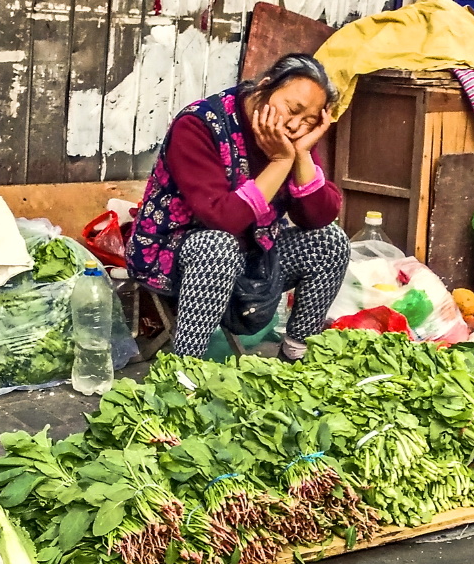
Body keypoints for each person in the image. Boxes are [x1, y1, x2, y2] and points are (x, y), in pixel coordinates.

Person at [126, 54, 350, 362]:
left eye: (309, 120)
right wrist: (280, 162)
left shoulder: (294, 138)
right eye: (292, 109)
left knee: (330, 242)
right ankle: (183, 373)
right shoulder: (198, 125)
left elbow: (318, 216)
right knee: (217, 247)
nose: (296, 124)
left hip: (253, 254)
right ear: (264, 87)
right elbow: (222, 219)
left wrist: (301, 155)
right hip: (179, 255)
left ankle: (296, 360)